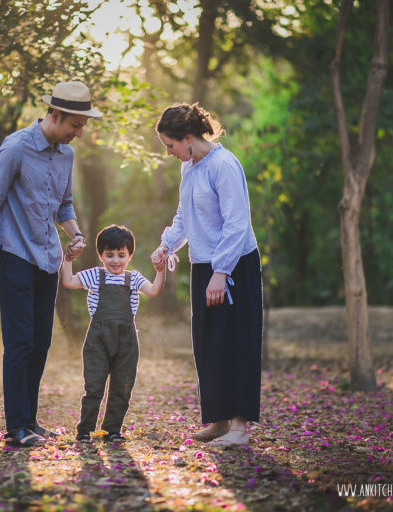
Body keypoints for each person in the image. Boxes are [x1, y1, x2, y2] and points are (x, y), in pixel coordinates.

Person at [0, 80, 100, 447]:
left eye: (82, 127)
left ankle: (29, 420)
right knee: (20, 341)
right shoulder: (14, 149)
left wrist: (75, 234)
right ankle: (17, 427)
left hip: (47, 258)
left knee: (41, 341)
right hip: (10, 255)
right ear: (55, 114)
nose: (79, 133)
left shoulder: (66, 155)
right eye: (75, 125)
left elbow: (64, 205)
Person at [151, 103, 262, 448]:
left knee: (237, 344)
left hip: (233, 266)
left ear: (188, 138)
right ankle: (219, 420)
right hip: (205, 265)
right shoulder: (190, 167)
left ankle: (240, 428)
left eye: (170, 145)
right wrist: (167, 245)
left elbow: (236, 223)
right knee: (209, 344)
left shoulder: (224, 165)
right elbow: (185, 216)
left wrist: (221, 272)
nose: (169, 153)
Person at [61, 225, 166, 443]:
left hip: (127, 341)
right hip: (97, 340)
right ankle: (85, 430)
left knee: (122, 387)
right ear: (101, 255)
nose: (115, 261)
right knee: (94, 386)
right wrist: (67, 259)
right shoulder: (94, 276)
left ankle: (112, 429)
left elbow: (155, 291)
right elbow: (68, 282)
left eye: (121, 255)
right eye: (109, 255)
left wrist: (161, 269)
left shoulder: (134, 278)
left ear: (130, 256)